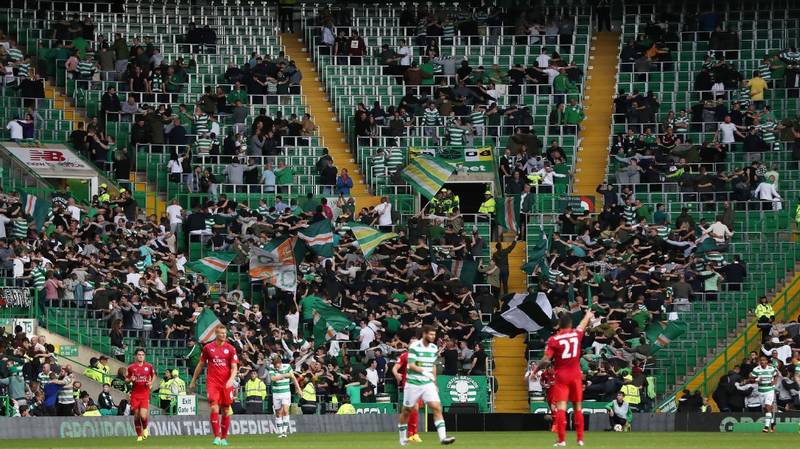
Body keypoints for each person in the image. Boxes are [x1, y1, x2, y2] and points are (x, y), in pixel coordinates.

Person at [531, 310, 594, 447]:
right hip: (576, 374)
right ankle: (580, 439)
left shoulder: (554, 339)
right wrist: (587, 316)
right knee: (578, 407)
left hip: (562, 376)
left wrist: (535, 370)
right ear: (571, 324)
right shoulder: (576, 334)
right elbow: (582, 326)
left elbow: (546, 360)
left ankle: (562, 440)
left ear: (559, 324)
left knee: (561, 407)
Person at [398, 325, 455, 446]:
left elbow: (433, 366)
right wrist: (424, 372)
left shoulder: (434, 348)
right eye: (431, 334)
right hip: (413, 383)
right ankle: (402, 437)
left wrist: (434, 382)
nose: (433, 337)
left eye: (434, 335)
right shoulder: (414, 346)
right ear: (424, 334)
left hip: (427, 383)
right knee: (407, 411)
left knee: (436, 407)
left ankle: (443, 438)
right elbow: (412, 365)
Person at [189, 325, 239, 446]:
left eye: (225, 333)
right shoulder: (208, 348)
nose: (224, 335)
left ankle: (224, 437)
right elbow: (200, 365)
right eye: (221, 333)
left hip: (226, 384)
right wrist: (193, 380)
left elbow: (234, 367)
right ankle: (217, 436)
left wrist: (231, 380)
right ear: (216, 334)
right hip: (213, 383)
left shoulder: (231, 349)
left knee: (226, 410)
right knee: (214, 408)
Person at [392, 334, 422, 443]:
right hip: (409, 385)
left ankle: (413, 433)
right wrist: (396, 375)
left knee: (415, 409)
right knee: (414, 407)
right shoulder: (405, 356)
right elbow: (395, 368)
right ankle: (412, 433)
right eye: (411, 342)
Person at [126, 348, 155, 442]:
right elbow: (126, 379)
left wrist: (150, 383)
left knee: (143, 415)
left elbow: (154, 376)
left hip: (145, 393)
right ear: (136, 356)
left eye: (142, 355)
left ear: (144, 356)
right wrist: (131, 379)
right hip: (135, 394)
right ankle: (139, 435)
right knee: (137, 415)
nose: (140, 356)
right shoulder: (131, 367)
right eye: (139, 354)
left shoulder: (149, 366)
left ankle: (145, 428)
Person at [269, 354, 301, 438]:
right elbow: (273, 378)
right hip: (276, 393)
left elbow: (293, 377)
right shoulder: (271, 367)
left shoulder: (287, 366)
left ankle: (284, 431)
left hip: (286, 392)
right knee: (278, 413)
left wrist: (299, 389)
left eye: (278, 366)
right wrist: (285, 375)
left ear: (280, 362)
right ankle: (280, 432)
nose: (277, 367)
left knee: (286, 411)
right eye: (276, 366)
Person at [750, 355, 777, 432]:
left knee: (768, 406)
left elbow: (776, 375)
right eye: (761, 360)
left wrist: (774, 382)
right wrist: (756, 380)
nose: (762, 362)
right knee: (765, 409)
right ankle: (772, 423)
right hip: (761, 390)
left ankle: (766, 427)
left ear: (767, 361)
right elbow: (751, 379)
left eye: (764, 360)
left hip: (769, 390)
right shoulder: (756, 369)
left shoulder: (771, 369)